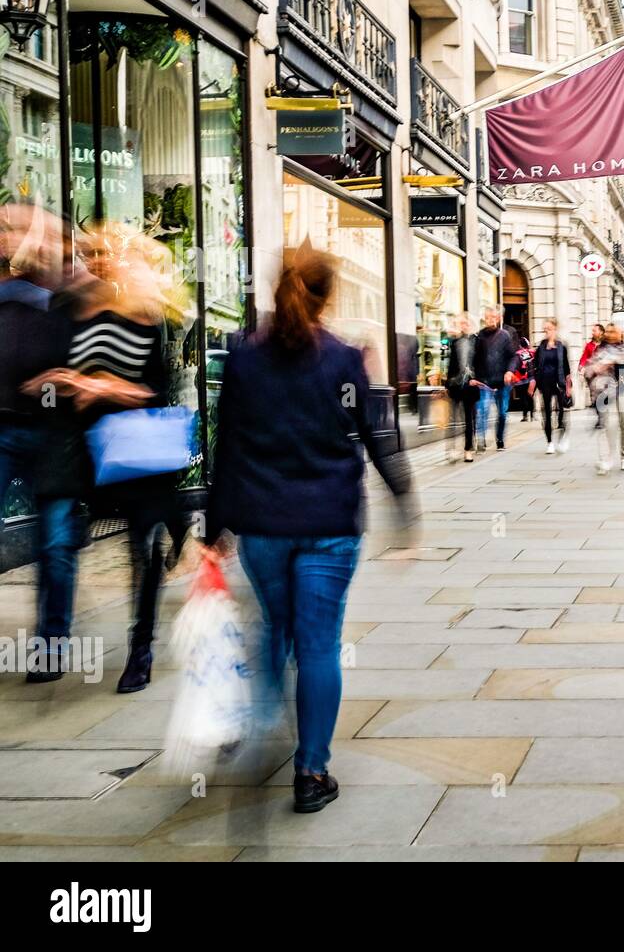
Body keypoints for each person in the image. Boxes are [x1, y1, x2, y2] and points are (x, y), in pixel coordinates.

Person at [204, 245, 412, 814]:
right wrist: (404, 504)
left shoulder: (244, 360)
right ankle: (311, 772)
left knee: (275, 629)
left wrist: (213, 528)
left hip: (264, 525)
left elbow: (227, 449)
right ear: (328, 296)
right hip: (328, 521)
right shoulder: (344, 359)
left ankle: (258, 722)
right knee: (319, 645)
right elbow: (379, 437)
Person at [37, 225, 188, 694]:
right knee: (60, 539)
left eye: (102, 252)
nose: (95, 261)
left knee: (141, 553)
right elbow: (67, 372)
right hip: (87, 449)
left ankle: (140, 648)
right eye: (87, 253)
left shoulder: (149, 315)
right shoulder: (75, 310)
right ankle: (52, 642)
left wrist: (104, 387)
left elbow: (159, 391)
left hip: (138, 450)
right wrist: (64, 382)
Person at [0, 204, 82, 683]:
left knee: (54, 544)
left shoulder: (68, 291)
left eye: (16, 227)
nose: (9, 236)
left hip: (55, 436)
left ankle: (52, 644)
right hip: (5, 429)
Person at [583, 323, 624, 474]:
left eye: (615, 332)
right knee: (607, 425)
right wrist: (597, 368)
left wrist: (612, 362)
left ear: (620, 334)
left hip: (623, 389)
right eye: (610, 332)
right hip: (605, 391)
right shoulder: (601, 349)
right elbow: (590, 368)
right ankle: (606, 459)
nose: (612, 335)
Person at [471, 306, 519, 451]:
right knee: (483, 411)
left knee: (502, 413)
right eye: (487, 317)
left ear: (498, 319)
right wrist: (473, 377)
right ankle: (480, 440)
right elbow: (474, 359)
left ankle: (500, 439)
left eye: (493, 317)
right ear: (484, 318)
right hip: (484, 381)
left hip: (502, 382)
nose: (490, 320)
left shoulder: (504, 335)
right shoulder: (479, 336)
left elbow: (514, 356)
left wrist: (509, 371)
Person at [531, 318, 572, 454]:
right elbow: (535, 365)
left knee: (561, 412)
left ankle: (562, 435)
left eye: (548, 328)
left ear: (555, 329)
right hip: (545, 383)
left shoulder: (562, 346)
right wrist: (533, 382)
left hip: (559, 382)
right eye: (545, 329)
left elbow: (566, 368)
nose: (546, 331)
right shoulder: (541, 346)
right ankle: (549, 442)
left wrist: (568, 387)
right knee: (546, 413)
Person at [445, 312, 478, 462]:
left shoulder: (477, 341)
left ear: (470, 324)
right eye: (461, 323)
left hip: (470, 385)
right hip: (455, 385)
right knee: (452, 419)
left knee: (468, 420)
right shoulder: (455, 342)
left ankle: (468, 450)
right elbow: (451, 364)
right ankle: (451, 449)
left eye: (466, 323)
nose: (463, 326)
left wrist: (477, 379)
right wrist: (447, 384)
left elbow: (480, 363)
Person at [513, 334, 535, 422]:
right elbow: (530, 364)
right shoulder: (530, 352)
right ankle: (532, 415)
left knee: (523, 398)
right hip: (529, 378)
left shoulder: (518, 353)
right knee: (530, 396)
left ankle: (525, 415)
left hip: (520, 379)